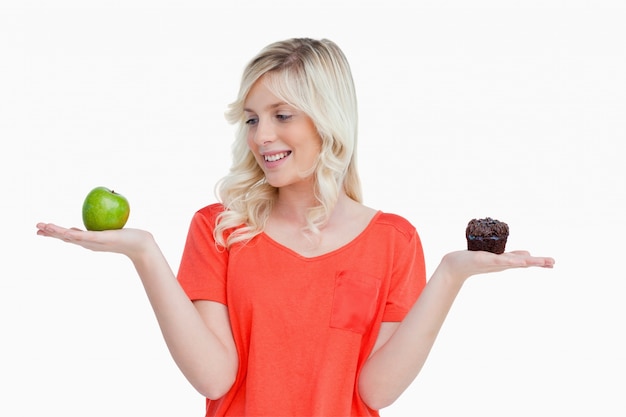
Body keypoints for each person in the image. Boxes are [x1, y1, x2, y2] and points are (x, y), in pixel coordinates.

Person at [36, 38, 554, 416]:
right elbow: (215, 379)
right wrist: (145, 254)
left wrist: (448, 277)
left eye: (283, 115)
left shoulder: (393, 240)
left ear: (327, 120)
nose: (263, 136)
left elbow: (375, 392)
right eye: (252, 118)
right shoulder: (219, 230)